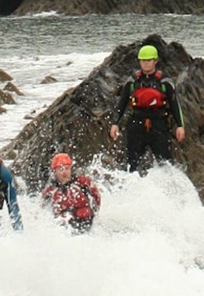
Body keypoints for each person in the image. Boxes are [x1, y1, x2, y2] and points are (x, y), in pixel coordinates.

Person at [109, 44, 186, 172]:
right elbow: (121, 104)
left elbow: (174, 104)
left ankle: (168, 188)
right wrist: (115, 123)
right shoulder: (132, 82)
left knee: (166, 164)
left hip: (159, 125)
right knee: (131, 165)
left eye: (149, 60)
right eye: (143, 61)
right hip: (136, 125)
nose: (145, 64)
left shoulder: (165, 82)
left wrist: (180, 125)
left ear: (155, 61)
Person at [40, 153, 101, 232]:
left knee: (82, 213)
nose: (64, 172)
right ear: (55, 171)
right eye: (61, 169)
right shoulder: (51, 190)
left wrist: (95, 212)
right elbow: (41, 207)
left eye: (67, 168)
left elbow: (96, 196)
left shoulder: (82, 182)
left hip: (84, 220)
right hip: (64, 224)